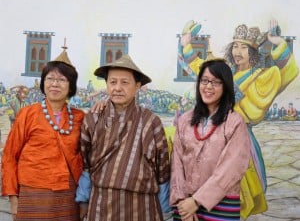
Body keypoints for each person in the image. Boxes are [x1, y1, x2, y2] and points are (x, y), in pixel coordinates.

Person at [178, 20, 299, 193]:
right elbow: (201, 68)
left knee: (238, 190)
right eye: (235, 46)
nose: (238, 51)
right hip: (215, 134)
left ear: (252, 52)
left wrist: (279, 44)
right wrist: (186, 44)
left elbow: (287, 73)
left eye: (243, 47)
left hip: (240, 137)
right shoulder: (226, 70)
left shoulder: (262, 75)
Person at [76, 54, 170, 221]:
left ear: (137, 86)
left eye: (125, 82)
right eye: (113, 82)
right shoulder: (93, 118)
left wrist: (164, 209)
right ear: (106, 85)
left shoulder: (151, 121)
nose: (117, 88)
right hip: (101, 205)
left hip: (142, 207)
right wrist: (83, 199)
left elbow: (162, 169)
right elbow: (85, 163)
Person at [1, 47, 85, 221]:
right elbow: (9, 156)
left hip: (68, 196)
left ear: (71, 86)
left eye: (62, 79)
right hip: (32, 194)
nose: (55, 84)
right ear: (43, 83)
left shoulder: (79, 117)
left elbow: (88, 158)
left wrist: (84, 200)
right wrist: (13, 199)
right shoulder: (27, 114)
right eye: (50, 79)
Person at [170, 59, 251, 220]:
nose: (208, 87)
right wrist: (182, 201)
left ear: (226, 86)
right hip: (185, 207)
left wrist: (197, 200)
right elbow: (176, 163)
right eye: (204, 80)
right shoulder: (185, 120)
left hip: (221, 204)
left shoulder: (235, 122)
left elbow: (232, 168)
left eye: (215, 82)